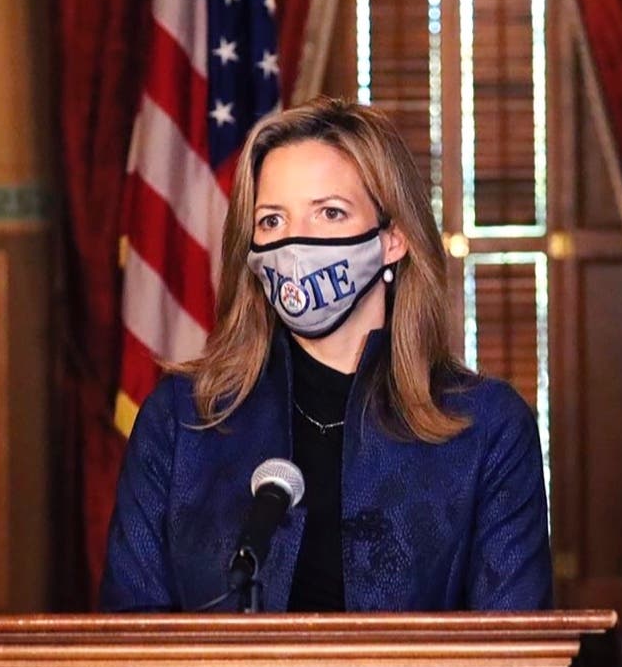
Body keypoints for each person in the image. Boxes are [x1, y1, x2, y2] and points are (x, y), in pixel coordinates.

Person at [100, 97, 552, 613]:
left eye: (330, 213)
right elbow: (130, 637)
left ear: (393, 239)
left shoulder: (486, 428)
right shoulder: (180, 420)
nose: (295, 243)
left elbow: (514, 656)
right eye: (272, 220)